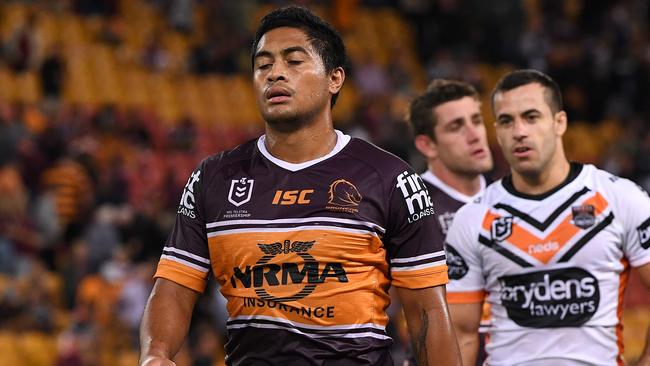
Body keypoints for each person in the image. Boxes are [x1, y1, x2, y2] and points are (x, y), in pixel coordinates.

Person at [139, 6, 462, 366]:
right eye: (263, 65)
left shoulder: (391, 179)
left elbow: (427, 314)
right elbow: (174, 287)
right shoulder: (213, 178)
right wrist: (155, 354)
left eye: (293, 61)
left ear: (334, 79)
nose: (275, 73)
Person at [445, 69, 650, 365]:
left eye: (531, 117)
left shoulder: (621, 199)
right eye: (506, 121)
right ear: (497, 133)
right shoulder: (473, 219)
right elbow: (460, 334)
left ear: (559, 123)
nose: (519, 131)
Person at [408, 79, 494, 365]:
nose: (474, 135)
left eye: (476, 121)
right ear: (427, 145)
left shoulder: (508, 197)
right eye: (456, 127)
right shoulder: (409, 207)